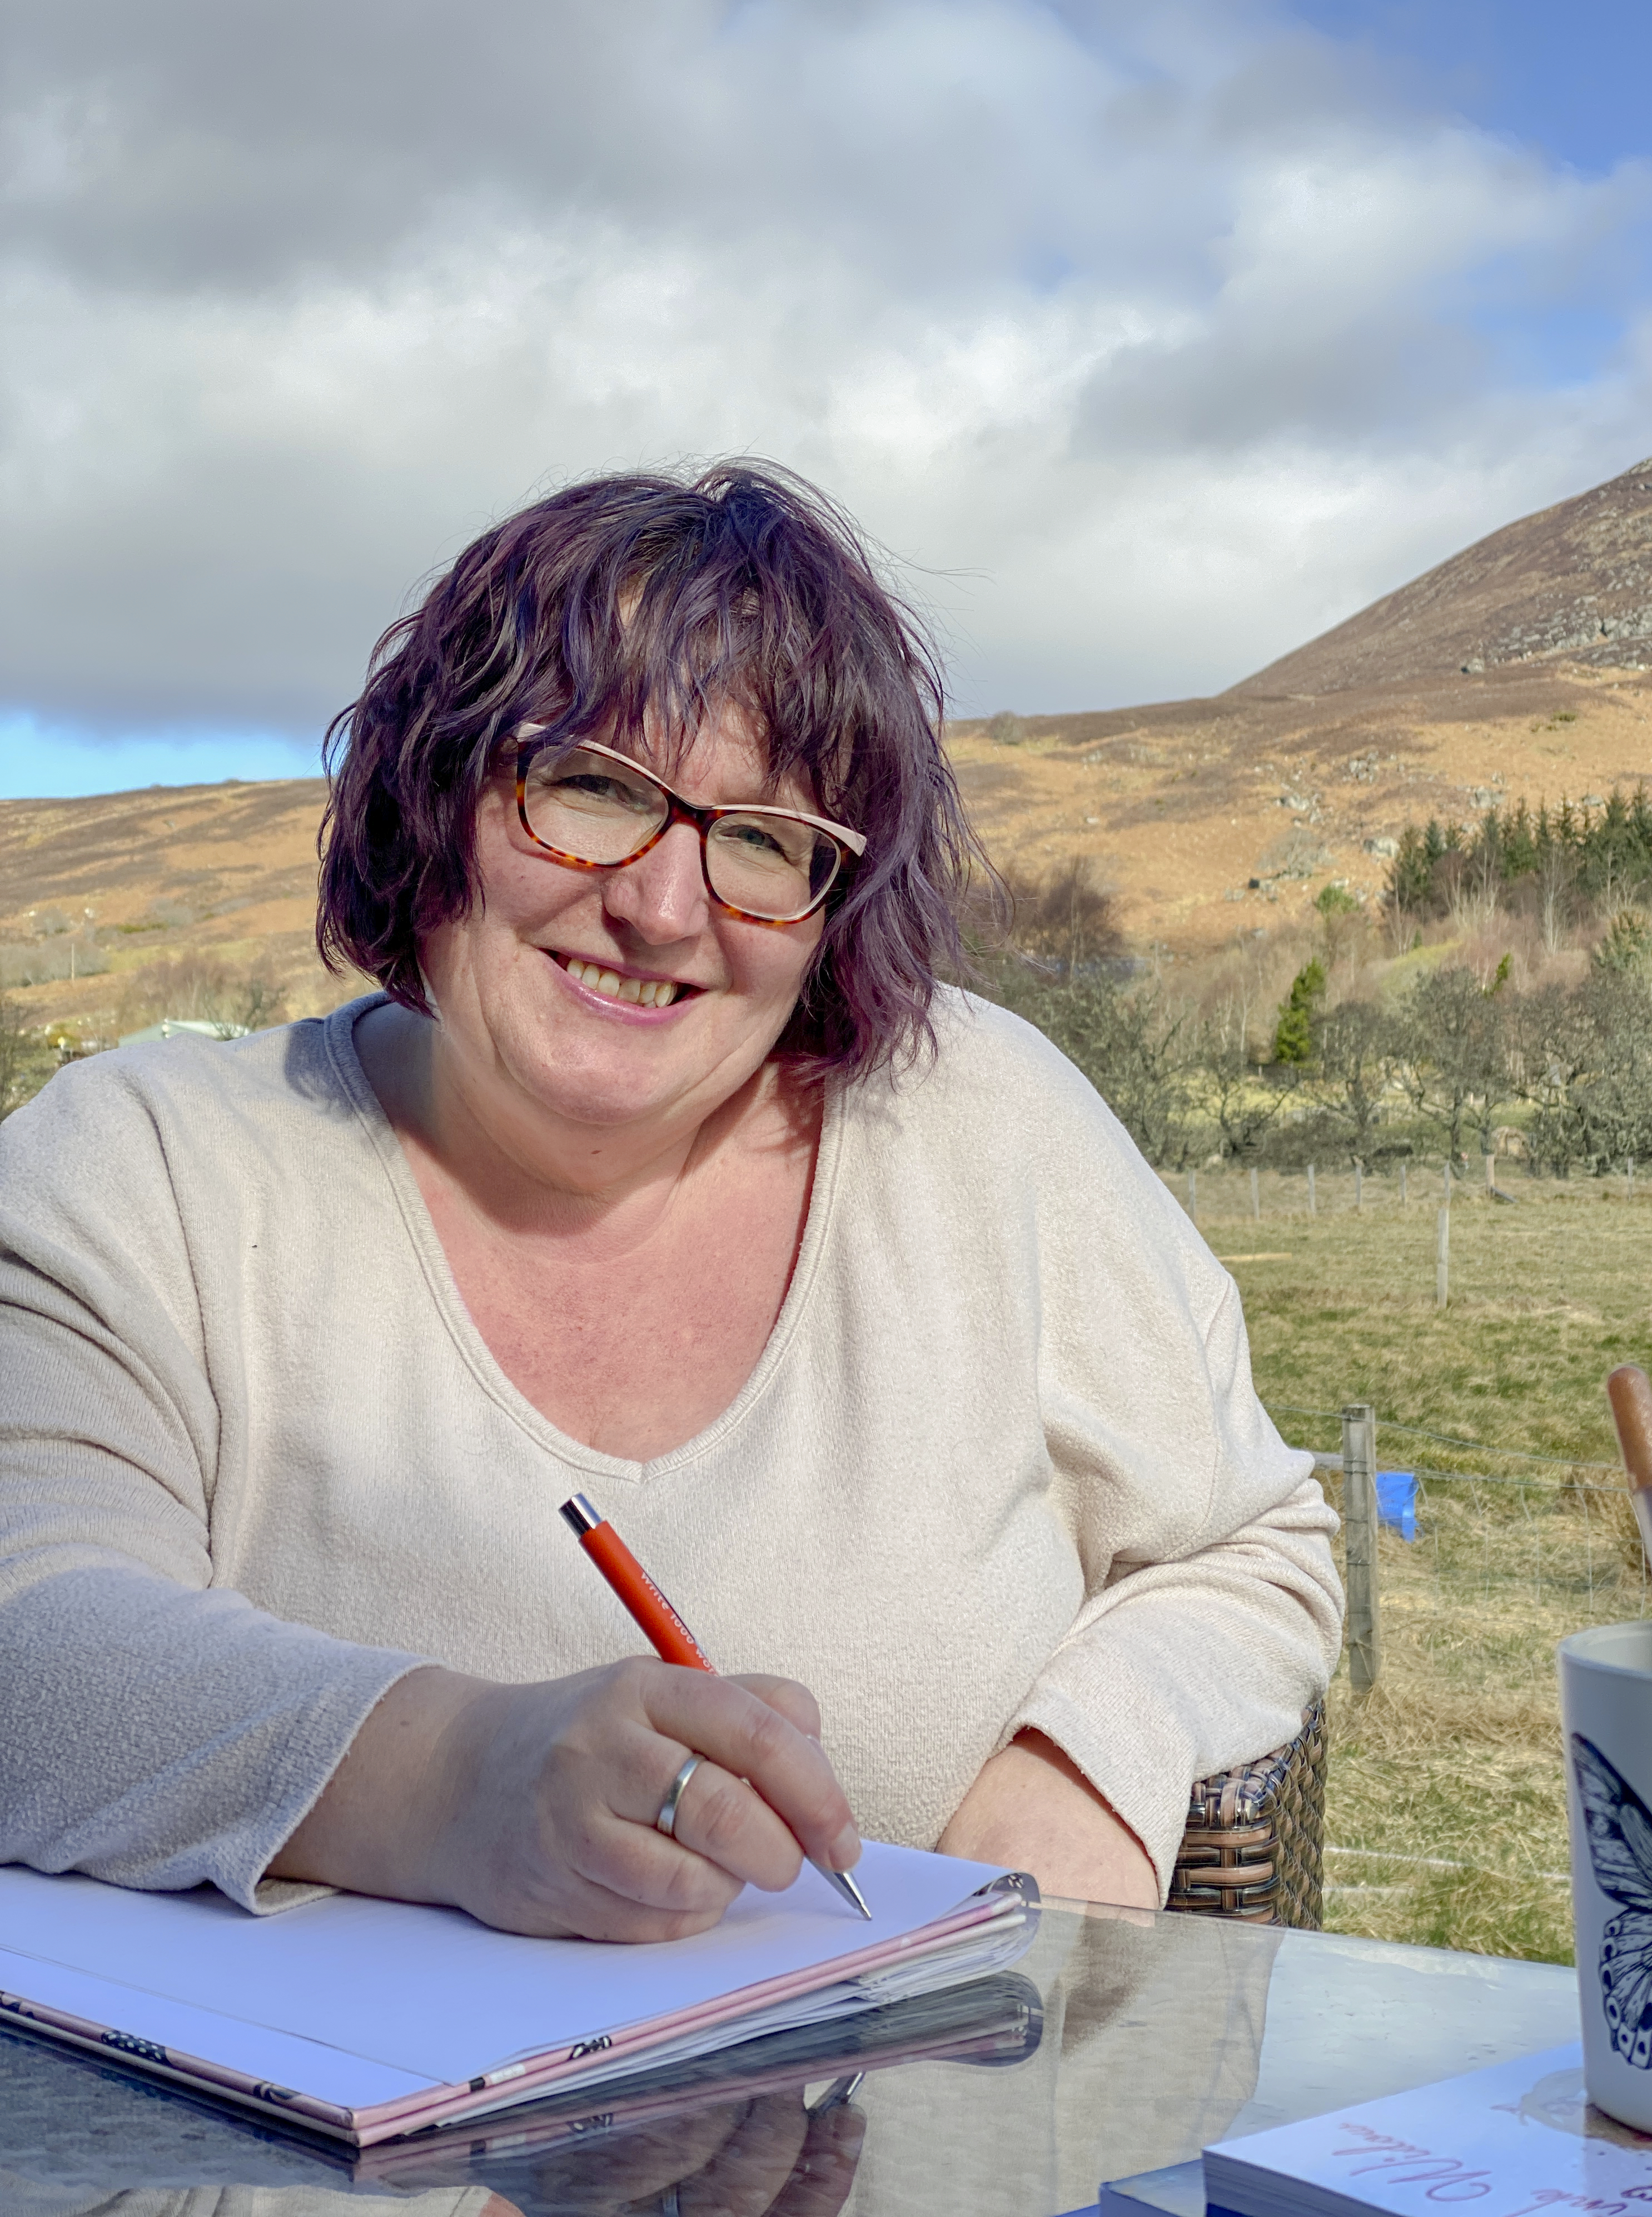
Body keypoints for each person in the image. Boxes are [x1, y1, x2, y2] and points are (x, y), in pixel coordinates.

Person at [0, 464, 1341, 1943]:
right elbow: (27, 1633)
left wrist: (1083, 1770)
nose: (659, 906)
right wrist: (454, 1780)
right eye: (591, 787)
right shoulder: (143, 1168)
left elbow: (1251, 1546)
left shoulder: (983, 1125)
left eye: (763, 840)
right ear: (432, 794)